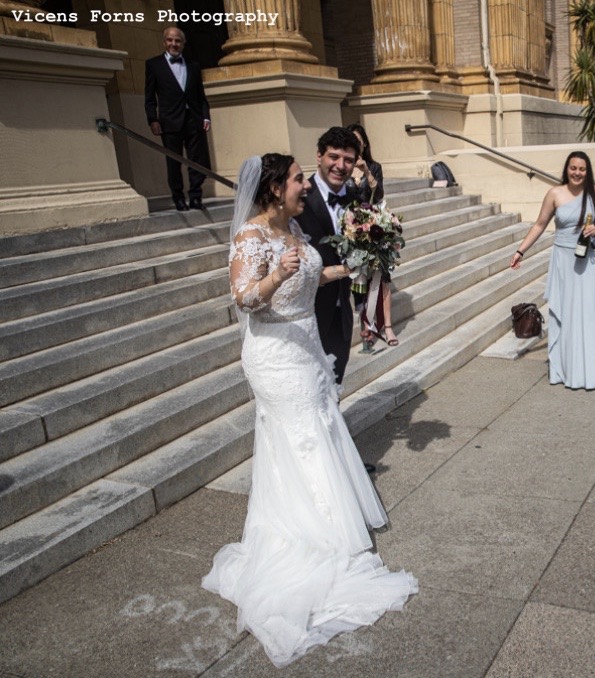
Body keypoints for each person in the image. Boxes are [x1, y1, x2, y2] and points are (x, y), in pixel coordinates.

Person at [202, 153, 417, 667]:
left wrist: (349, 265)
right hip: (275, 356)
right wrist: (275, 275)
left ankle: (325, 519)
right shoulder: (251, 239)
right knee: (299, 436)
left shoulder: (294, 227)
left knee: (317, 429)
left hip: (307, 345)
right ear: (276, 188)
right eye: (299, 179)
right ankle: (311, 534)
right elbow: (243, 299)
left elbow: (310, 278)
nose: (306, 186)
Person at [509, 151, 595, 390]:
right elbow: (540, 224)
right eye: (573, 168)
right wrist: (520, 251)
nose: (577, 173)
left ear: (587, 170)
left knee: (591, 312)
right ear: (567, 169)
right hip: (563, 259)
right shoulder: (554, 193)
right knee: (569, 312)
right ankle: (569, 368)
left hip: (591, 259)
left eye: (582, 169)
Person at [295, 127, 358, 386]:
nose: (340, 166)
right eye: (334, 157)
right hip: (306, 312)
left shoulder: (357, 198)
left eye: (348, 160)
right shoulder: (298, 198)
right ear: (319, 156)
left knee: (335, 383)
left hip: (342, 310)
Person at [144, 27, 212, 211]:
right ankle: (178, 198)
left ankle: (196, 197)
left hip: (194, 119)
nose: (173, 44)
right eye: (170, 40)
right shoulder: (153, 65)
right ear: (164, 42)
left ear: (183, 43)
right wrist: (153, 120)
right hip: (169, 121)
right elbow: (150, 98)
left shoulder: (194, 66)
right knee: (173, 162)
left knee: (196, 160)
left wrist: (206, 117)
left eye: (177, 41)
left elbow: (200, 96)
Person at [347, 123, 398, 350]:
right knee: (358, 279)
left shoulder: (374, 167)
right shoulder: (343, 167)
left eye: (358, 141)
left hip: (374, 225)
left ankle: (387, 326)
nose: (355, 145)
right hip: (351, 229)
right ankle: (365, 326)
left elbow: (380, 193)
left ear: (364, 143)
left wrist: (366, 171)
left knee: (381, 276)